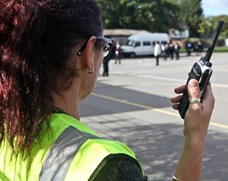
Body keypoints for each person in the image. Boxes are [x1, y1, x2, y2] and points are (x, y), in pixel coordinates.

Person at [0, 0, 215, 181]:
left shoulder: (7, 128)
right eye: (104, 46)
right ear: (87, 55)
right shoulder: (107, 163)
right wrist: (195, 137)